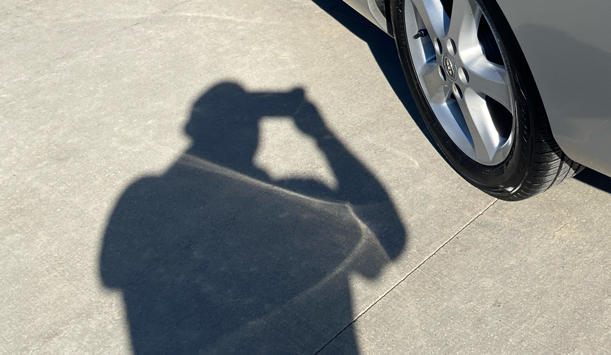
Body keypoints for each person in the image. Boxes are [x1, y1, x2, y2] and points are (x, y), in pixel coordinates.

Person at [100, 83, 405, 354]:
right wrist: (322, 135)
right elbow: (387, 237)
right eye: (245, 120)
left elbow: (113, 273)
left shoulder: (144, 197)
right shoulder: (301, 198)